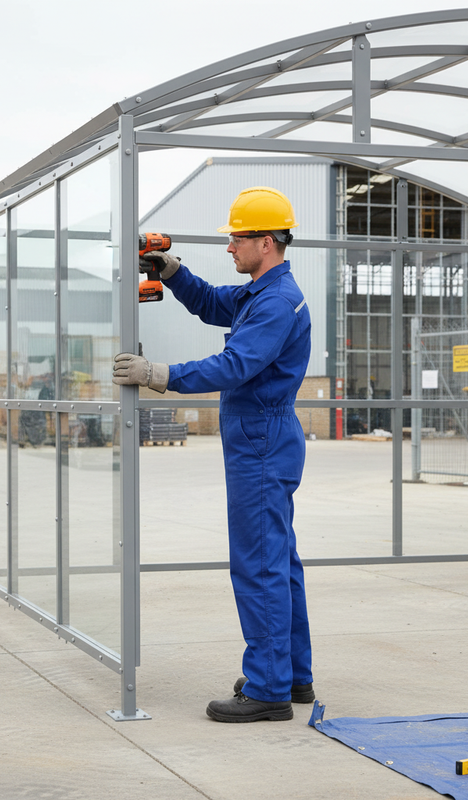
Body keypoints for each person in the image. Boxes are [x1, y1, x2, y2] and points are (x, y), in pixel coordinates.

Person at [112, 187, 314, 723]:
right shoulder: (261, 291)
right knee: (280, 560)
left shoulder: (273, 303)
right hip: (264, 438)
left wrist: (159, 375)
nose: (229, 246)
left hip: (261, 442)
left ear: (265, 242)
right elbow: (210, 303)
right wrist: (172, 270)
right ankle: (291, 675)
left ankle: (268, 689)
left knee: (259, 563)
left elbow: (232, 366)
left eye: (236, 237)